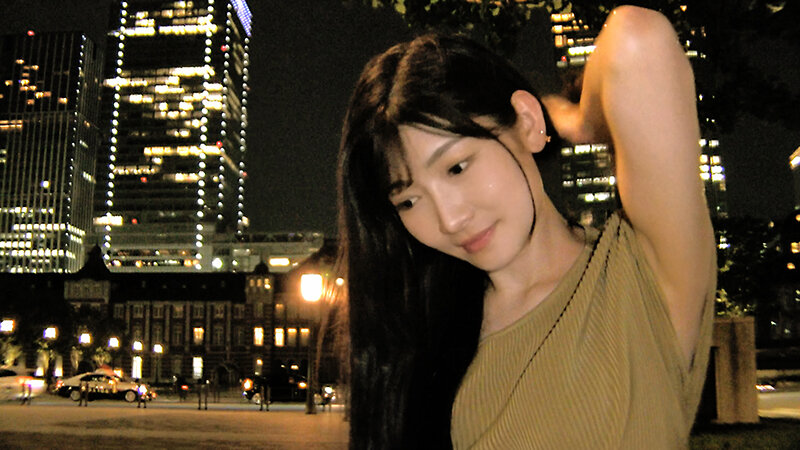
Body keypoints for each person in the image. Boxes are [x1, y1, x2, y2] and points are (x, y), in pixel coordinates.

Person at [337, 6, 716, 449]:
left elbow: (638, 37)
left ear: (528, 122)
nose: (450, 219)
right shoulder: (424, 339)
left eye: (457, 167)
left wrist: (575, 122)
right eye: (408, 200)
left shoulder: (638, 274)